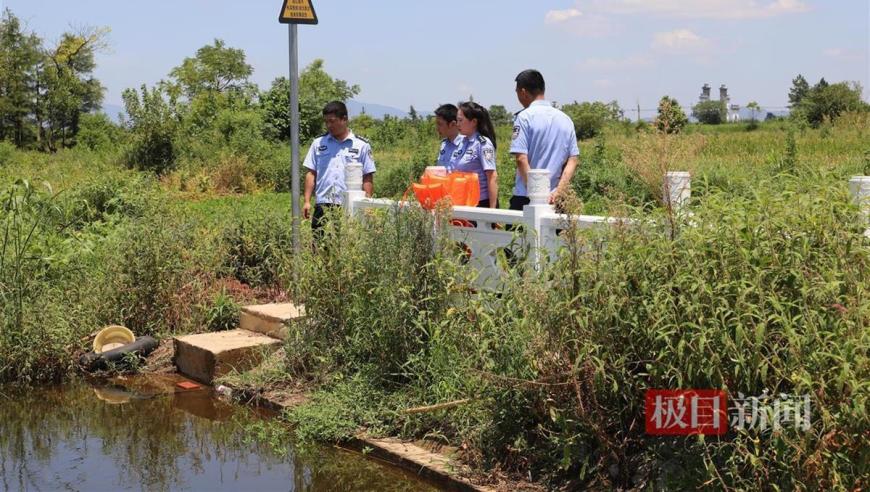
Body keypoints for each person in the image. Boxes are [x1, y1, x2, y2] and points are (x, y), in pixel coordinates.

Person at [509, 69, 579, 211]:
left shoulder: (524, 117)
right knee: (557, 234)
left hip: (526, 197)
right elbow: (573, 160)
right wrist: (559, 191)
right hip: (557, 199)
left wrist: (537, 194)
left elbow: (521, 159)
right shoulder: (565, 119)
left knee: (521, 233)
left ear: (523, 92)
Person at [302, 101, 376, 234]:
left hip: (349, 203)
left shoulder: (361, 145)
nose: (329, 125)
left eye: (332, 121)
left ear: (344, 119)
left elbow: (367, 176)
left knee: (348, 244)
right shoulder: (318, 143)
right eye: (326, 122)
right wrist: (307, 201)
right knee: (319, 246)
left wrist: (367, 203)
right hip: (323, 204)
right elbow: (311, 173)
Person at [454, 102, 499, 208]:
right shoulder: (462, 142)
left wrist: (493, 211)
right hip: (464, 201)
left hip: (480, 203)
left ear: (474, 122)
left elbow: (492, 177)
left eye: (461, 120)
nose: (457, 124)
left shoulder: (483, 144)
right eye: (457, 120)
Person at [434, 104, 464, 171]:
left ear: (452, 124)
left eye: (440, 124)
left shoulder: (467, 144)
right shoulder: (444, 144)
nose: (437, 128)